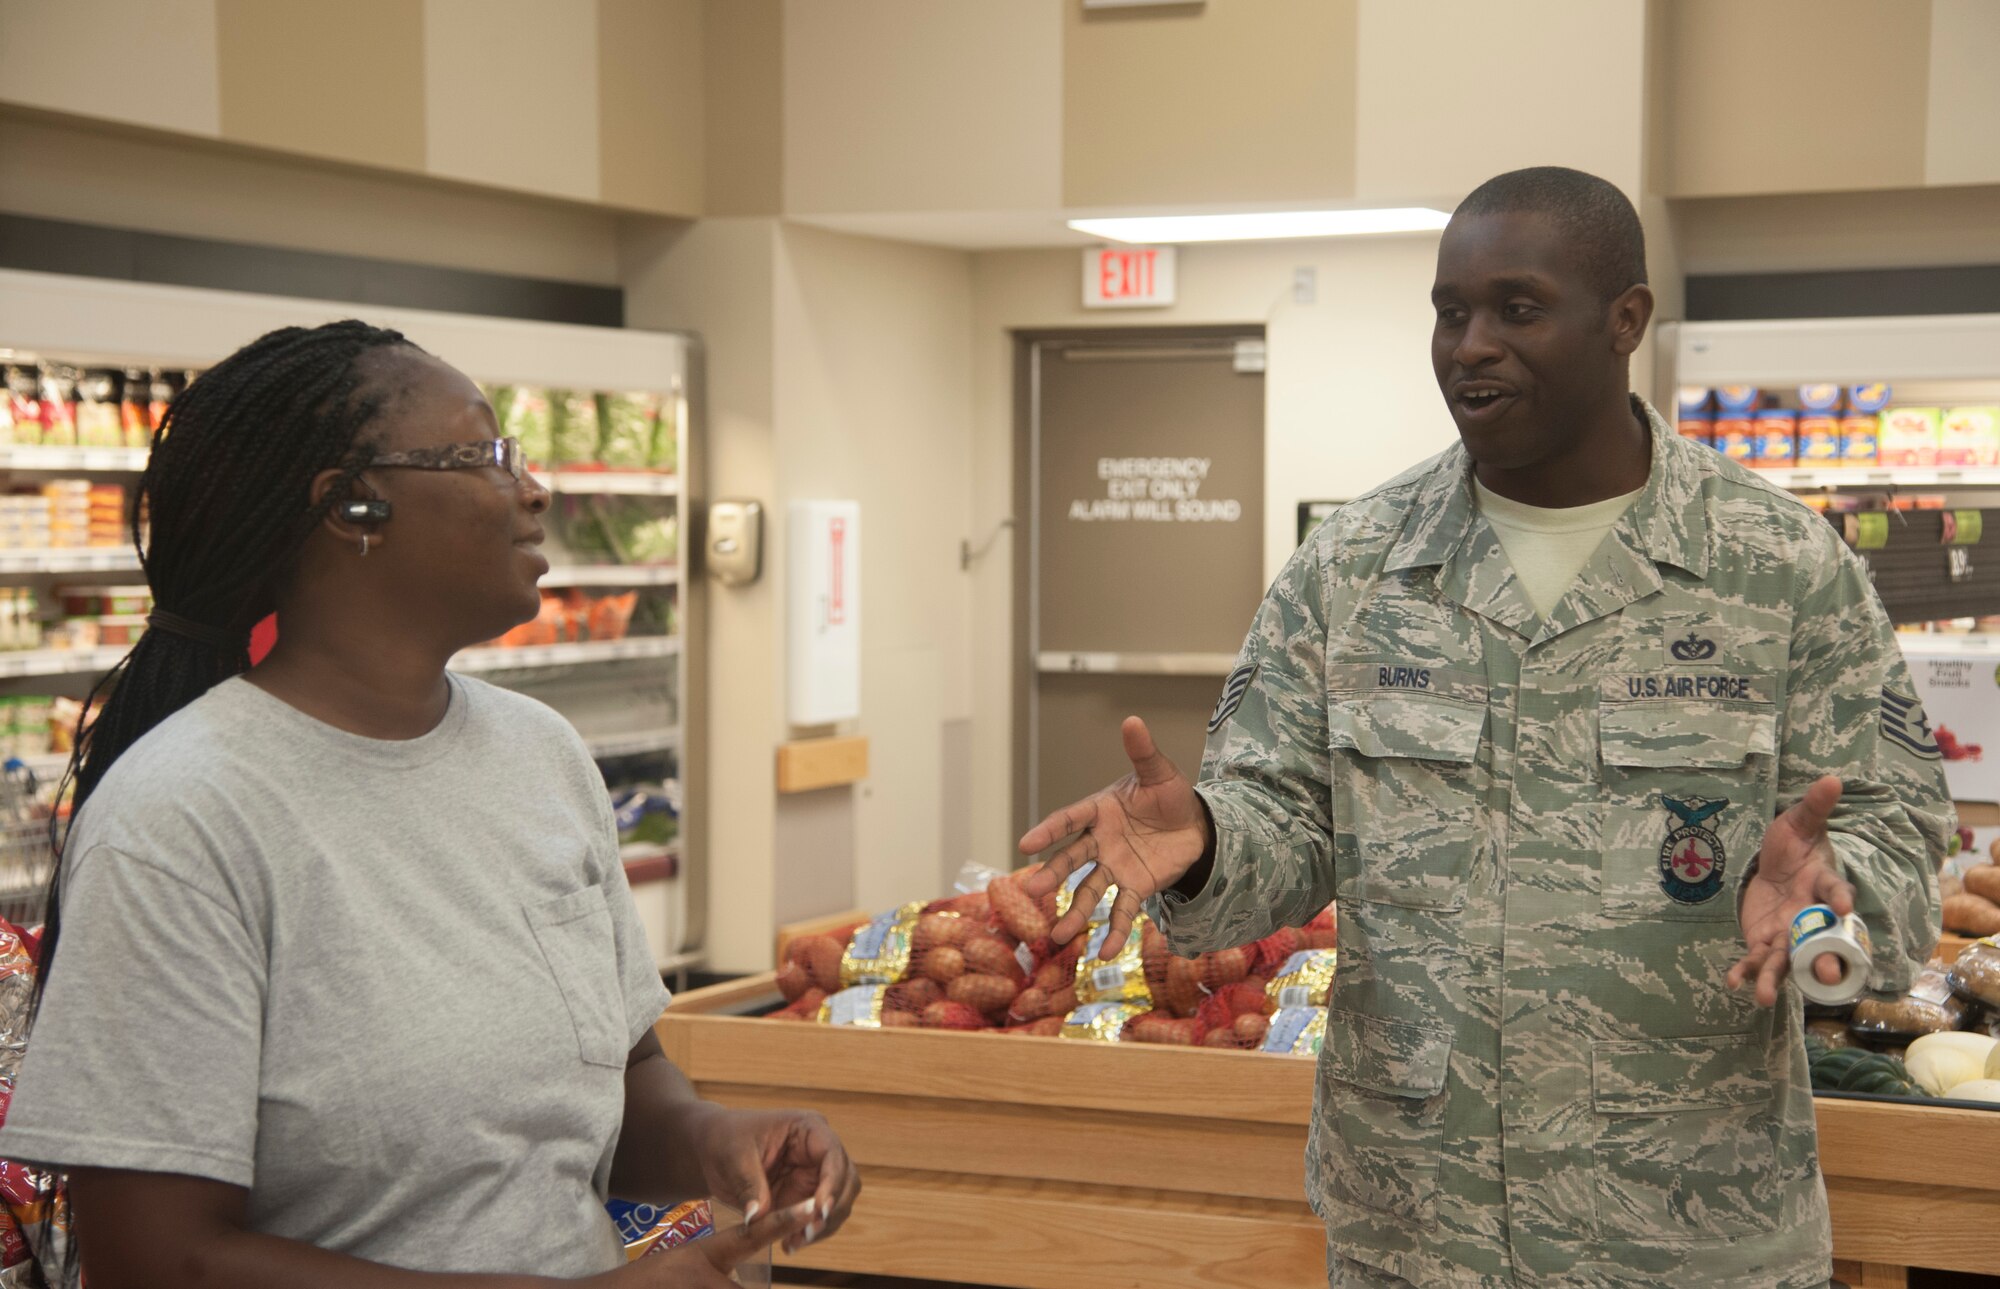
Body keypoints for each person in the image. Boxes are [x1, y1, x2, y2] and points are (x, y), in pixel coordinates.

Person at [1020, 167, 1948, 1288]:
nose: (1468, 344)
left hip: (1688, 1228)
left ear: (1624, 321)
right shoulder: (1353, 566)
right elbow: (1279, 835)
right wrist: (1212, 840)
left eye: (1515, 308)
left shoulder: (1779, 568)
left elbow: (1897, 847)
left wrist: (1828, 893)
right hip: (1418, 1228)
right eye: (1448, 311)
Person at [0, 321, 859, 1287]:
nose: (535, 489)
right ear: (350, 507)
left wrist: (720, 1140)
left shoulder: (542, 755)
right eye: (488, 454)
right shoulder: (183, 817)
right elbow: (163, 1259)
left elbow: (622, 1086)